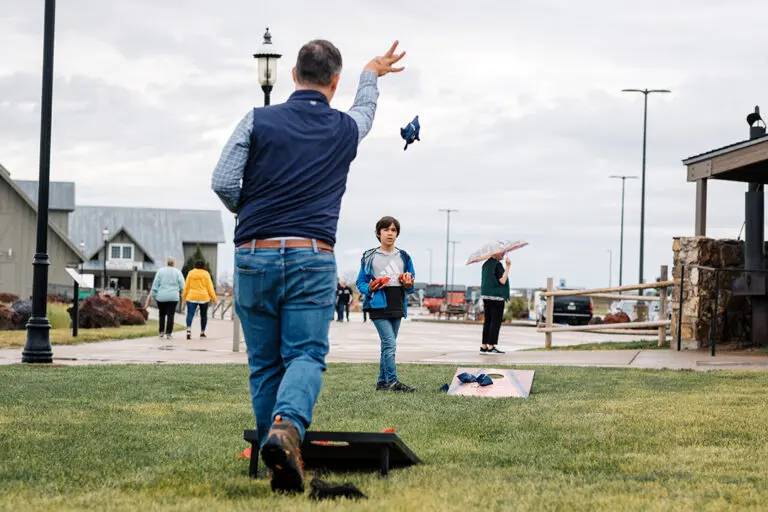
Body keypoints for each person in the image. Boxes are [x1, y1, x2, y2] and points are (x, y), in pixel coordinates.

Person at [210, 38, 406, 493]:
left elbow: (221, 180)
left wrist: (253, 210)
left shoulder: (257, 119)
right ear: (333, 83)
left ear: (294, 75)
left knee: (263, 363)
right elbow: (365, 116)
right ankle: (287, 428)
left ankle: (281, 461)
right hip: (310, 255)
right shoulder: (342, 129)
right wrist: (371, 75)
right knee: (305, 354)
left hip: (253, 252)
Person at [356, 216, 416, 392]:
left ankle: (381, 382)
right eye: (386, 230)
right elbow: (360, 282)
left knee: (387, 345)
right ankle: (393, 382)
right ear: (378, 233)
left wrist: (408, 284)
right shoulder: (370, 256)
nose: (390, 233)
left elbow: (411, 283)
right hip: (378, 304)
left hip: (397, 303)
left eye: (393, 230)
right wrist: (371, 287)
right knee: (390, 343)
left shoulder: (404, 256)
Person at [479, 252, 511, 354]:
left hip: (486, 296)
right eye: (501, 252)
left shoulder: (485, 264)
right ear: (495, 253)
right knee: (495, 322)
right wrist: (508, 266)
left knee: (487, 321)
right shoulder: (497, 264)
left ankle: (484, 346)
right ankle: (491, 347)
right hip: (497, 297)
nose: (503, 254)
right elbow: (502, 280)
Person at [150, 257, 185, 339]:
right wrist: (184, 294)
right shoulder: (177, 272)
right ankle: (169, 333)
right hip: (173, 297)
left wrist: (153, 295)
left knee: (161, 314)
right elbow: (182, 285)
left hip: (161, 297)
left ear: (167, 263)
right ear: (174, 263)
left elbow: (155, 284)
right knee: (171, 315)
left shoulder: (160, 271)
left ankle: (161, 332)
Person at [182, 260, 217, 340]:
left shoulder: (191, 273)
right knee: (203, 315)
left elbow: (186, 286)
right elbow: (210, 288)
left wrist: (184, 297)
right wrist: (214, 298)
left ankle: (188, 330)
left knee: (190, 314)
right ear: (203, 266)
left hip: (192, 297)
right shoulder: (206, 274)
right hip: (203, 297)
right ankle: (202, 332)